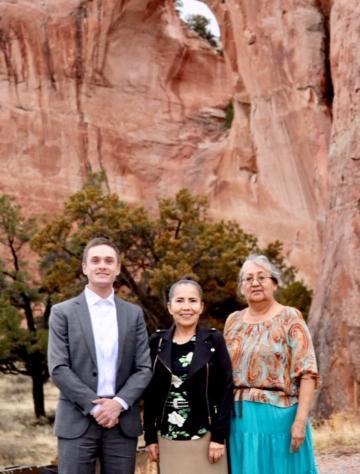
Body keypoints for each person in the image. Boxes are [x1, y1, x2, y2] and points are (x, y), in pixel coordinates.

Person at [47, 237, 152, 474]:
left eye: (108, 260)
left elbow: (143, 368)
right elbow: (58, 368)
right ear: (85, 267)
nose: (102, 265)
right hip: (77, 420)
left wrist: (118, 404)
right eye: (95, 260)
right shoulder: (62, 312)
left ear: (117, 268)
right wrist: (97, 408)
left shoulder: (133, 314)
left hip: (122, 422)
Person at [224, 254, 319, 474]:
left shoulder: (290, 317)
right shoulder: (233, 321)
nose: (255, 283)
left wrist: (300, 422)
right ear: (241, 287)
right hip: (238, 421)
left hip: (280, 421)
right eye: (248, 279)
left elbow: (308, 373)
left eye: (261, 277)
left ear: (274, 283)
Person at [143, 278, 233, 474]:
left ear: (201, 307)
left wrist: (219, 436)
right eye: (180, 300)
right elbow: (149, 394)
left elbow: (226, 389)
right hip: (167, 438)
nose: (186, 307)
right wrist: (150, 437)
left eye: (192, 301)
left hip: (207, 438)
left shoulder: (214, 340)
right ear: (169, 307)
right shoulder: (156, 342)